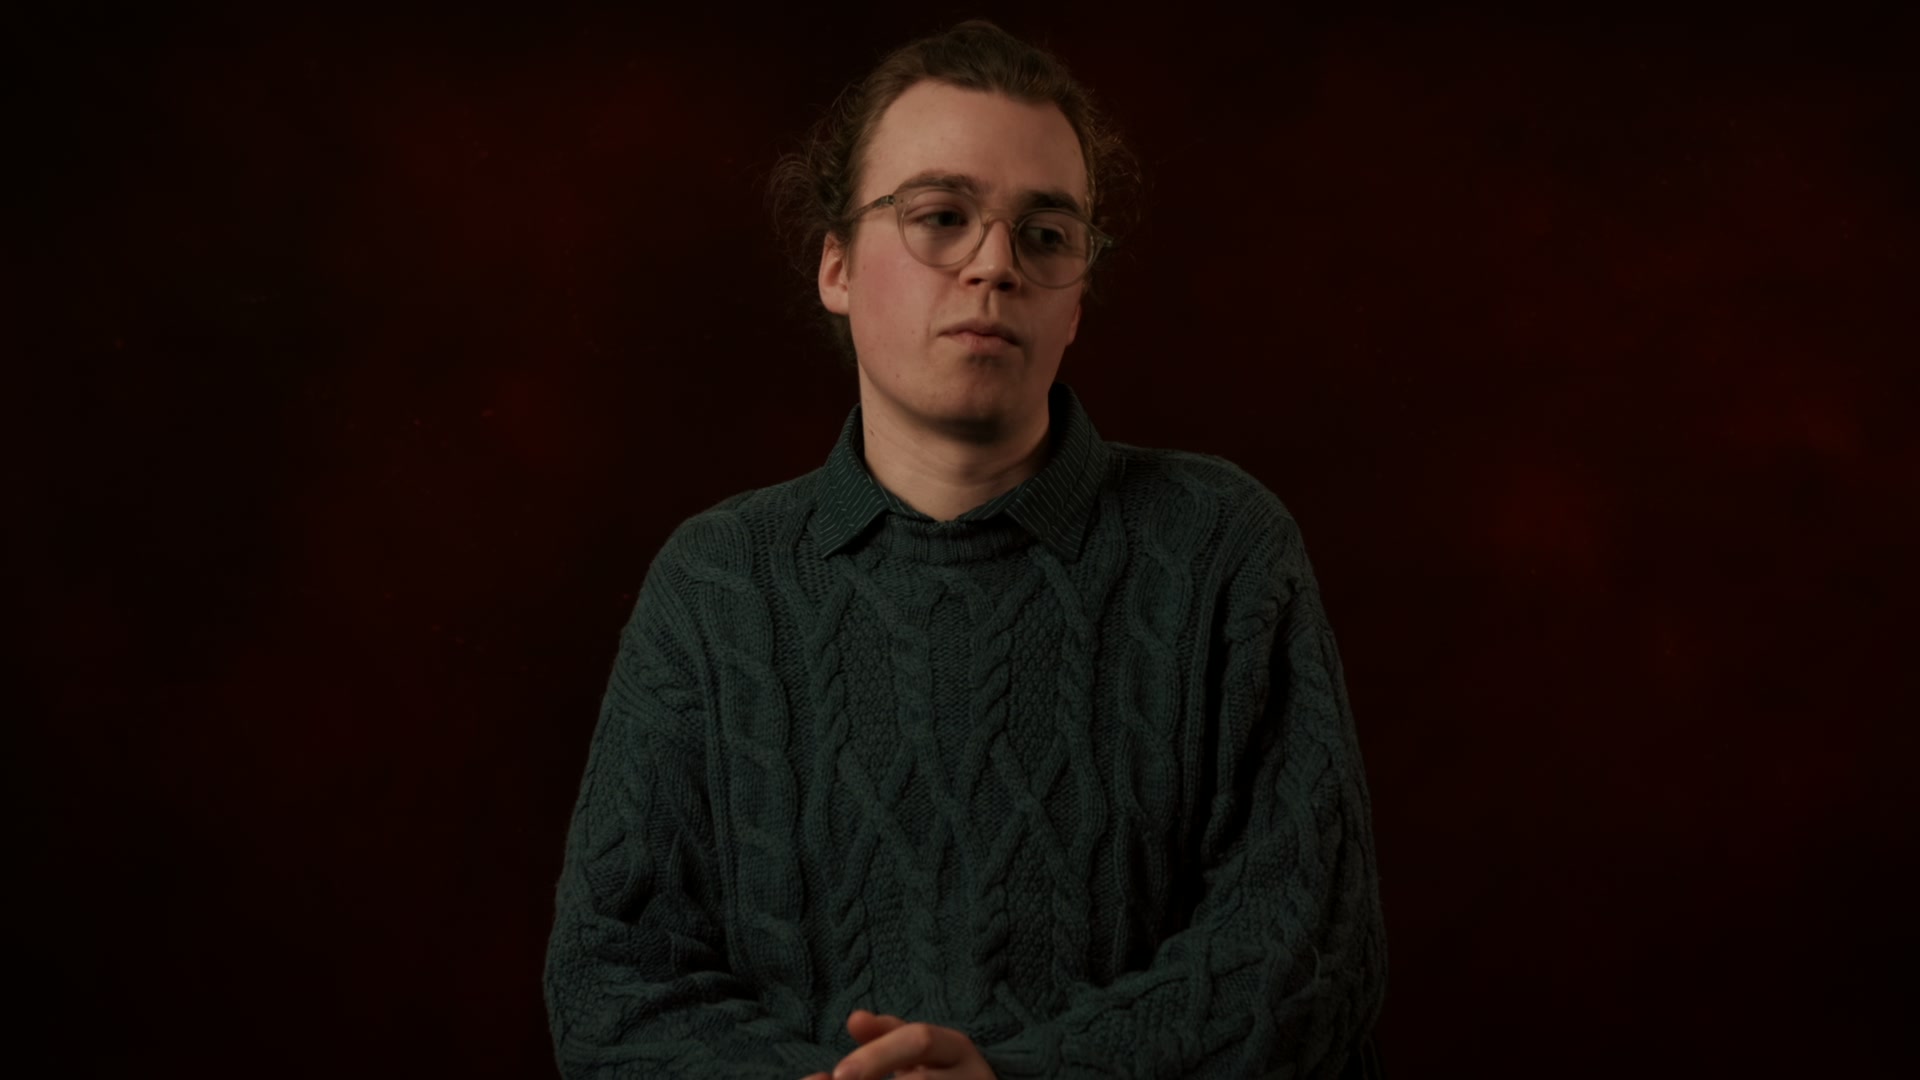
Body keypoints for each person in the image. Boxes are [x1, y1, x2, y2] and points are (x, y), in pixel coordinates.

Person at [544, 19, 1387, 1080]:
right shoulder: (716, 584)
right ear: (837, 265)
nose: (995, 264)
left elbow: (1303, 959)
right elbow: (612, 983)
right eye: (941, 217)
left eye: (1046, 233)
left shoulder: (1221, 549)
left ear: (1076, 300)